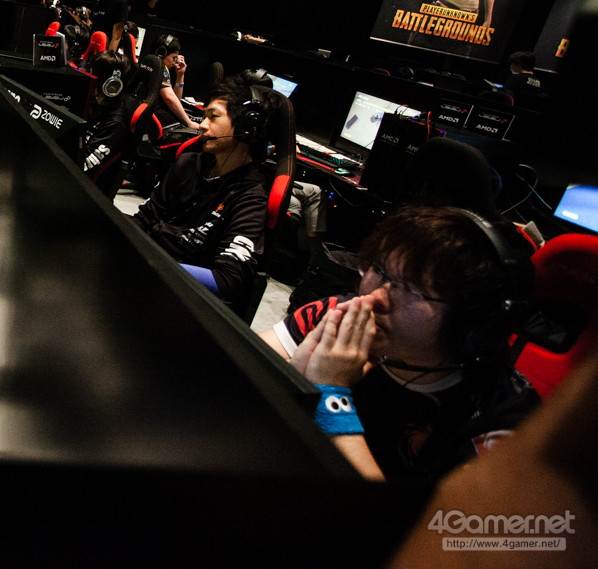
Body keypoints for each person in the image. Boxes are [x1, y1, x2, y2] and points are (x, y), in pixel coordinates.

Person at [258, 206, 539, 482]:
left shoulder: (504, 423)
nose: (374, 299)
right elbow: (242, 373)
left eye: (412, 290)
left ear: (472, 323)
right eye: (379, 271)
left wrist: (330, 397)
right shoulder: (336, 315)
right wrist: (294, 378)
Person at [131, 75, 272, 315]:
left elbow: (227, 279)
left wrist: (152, 266)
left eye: (213, 117)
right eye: (204, 117)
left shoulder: (250, 197)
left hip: (181, 300)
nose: (203, 125)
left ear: (245, 128)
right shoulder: (188, 163)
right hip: (143, 276)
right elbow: (144, 219)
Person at [79, 50, 140, 199]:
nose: (88, 78)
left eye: (92, 74)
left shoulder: (116, 123)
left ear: (110, 84)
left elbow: (84, 165)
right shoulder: (101, 103)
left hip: (85, 192)